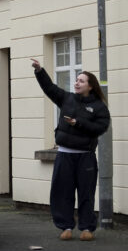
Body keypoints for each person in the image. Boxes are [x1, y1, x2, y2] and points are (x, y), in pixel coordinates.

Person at [31, 58, 110, 240]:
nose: (76, 83)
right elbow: (49, 88)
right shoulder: (67, 98)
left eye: (81, 81)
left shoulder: (98, 107)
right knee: (62, 193)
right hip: (64, 156)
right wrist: (39, 70)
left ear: (90, 86)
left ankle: (87, 229)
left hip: (86, 158)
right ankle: (65, 226)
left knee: (86, 194)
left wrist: (78, 123)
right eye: (76, 80)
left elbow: (101, 128)